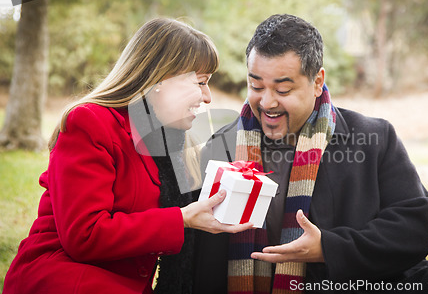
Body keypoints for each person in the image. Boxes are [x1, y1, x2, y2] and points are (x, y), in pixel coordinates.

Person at [192, 14, 428, 293]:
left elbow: (413, 230)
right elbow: (192, 256)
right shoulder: (221, 147)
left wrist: (328, 248)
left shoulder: (374, 138)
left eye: (283, 90)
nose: (267, 102)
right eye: (255, 85)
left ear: (317, 82)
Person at [3, 17, 253, 294]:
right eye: (200, 82)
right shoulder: (89, 123)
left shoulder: (173, 140)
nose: (207, 97)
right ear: (161, 78)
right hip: (65, 278)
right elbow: (84, 235)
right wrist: (180, 218)